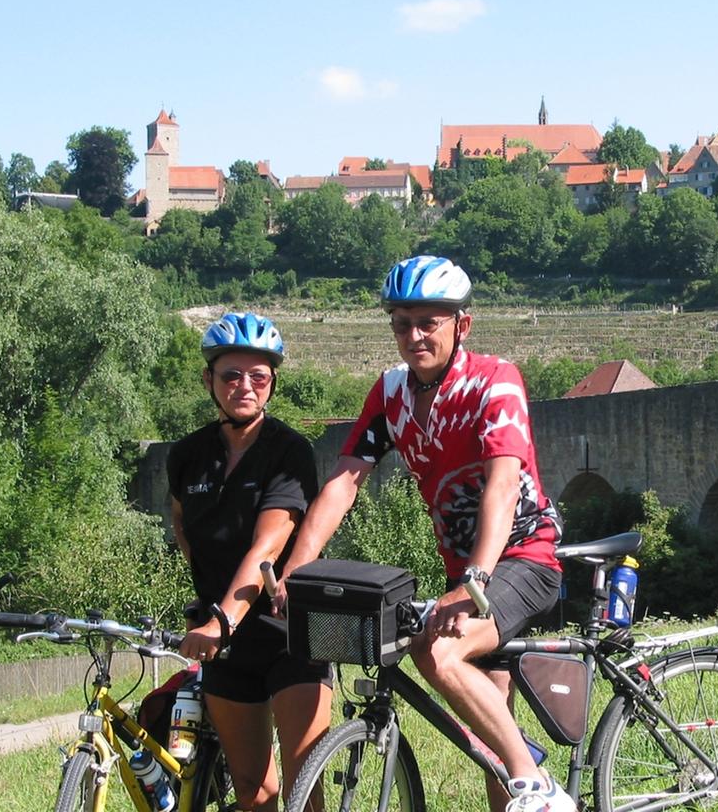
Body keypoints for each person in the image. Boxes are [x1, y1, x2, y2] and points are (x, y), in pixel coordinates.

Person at [284, 255, 570, 812]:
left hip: (524, 558)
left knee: (435, 654)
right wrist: (297, 567)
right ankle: (519, 777)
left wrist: (475, 580)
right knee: (493, 727)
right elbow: (344, 482)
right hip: (467, 575)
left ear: (461, 325)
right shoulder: (390, 394)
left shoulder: (495, 380)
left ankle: (539, 785)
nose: (413, 335)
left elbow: (502, 486)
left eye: (428, 323)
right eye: (401, 323)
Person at [168, 312, 331, 812]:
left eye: (258, 376)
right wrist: (206, 601)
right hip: (228, 648)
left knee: (305, 791)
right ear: (209, 380)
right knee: (254, 794)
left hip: (290, 635)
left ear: (272, 384)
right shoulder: (187, 455)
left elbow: (267, 545)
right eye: (231, 375)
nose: (245, 386)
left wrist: (221, 619)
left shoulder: (288, 452)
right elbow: (184, 528)